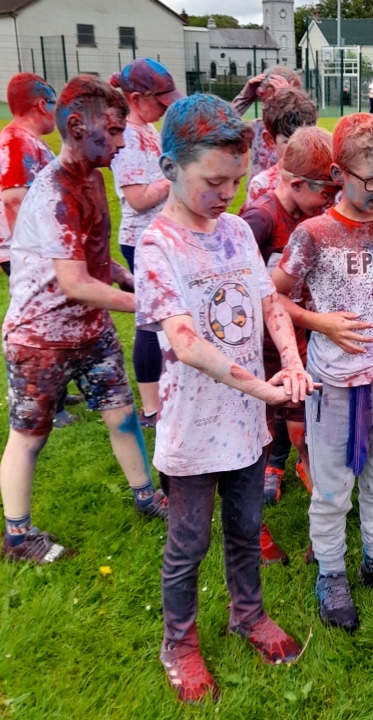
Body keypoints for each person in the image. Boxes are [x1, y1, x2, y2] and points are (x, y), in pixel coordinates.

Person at [134, 94, 311, 703]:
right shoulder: (158, 246)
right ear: (170, 168)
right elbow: (185, 343)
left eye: (236, 181)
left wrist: (290, 360)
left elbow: (269, 301)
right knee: (188, 543)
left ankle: (248, 614)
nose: (229, 194)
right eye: (214, 182)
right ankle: (179, 643)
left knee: (246, 524)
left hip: (244, 424)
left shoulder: (236, 231)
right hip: (193, 426)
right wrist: (263, 387)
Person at [0, 75, 169, 565]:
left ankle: (146, 496)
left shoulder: (91, 179)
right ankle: (17, 537)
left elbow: (91, 257)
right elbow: (74, 282)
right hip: (40, 339)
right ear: (77, 127)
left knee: (121, 414)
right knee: (30, 436)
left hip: (90, 330)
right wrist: (151, 304)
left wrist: (127, 277)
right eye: (113, 131)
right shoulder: (55, 192)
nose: (121, 142)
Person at [272, 113, 373, 632]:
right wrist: (320, 322)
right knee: (332, 487)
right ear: (339, 174)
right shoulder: (313, 235)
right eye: (372, 179)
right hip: (335, 384)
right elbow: (273, 297)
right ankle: (332, 572)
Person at [239, 127, 336, 519]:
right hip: (259, 344)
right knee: (264, 419)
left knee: (301, 418)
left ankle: (312, 478)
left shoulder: (312, 216)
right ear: (296, 184)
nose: (331, 201)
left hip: (300, 338)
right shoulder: (259, 219)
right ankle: (267, 474)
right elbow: (238, 285)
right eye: (326, 192)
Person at [0, 72, 79, 429]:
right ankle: (46, 405)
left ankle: (58, 394)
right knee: (42, 329)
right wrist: (37, 255)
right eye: (54, 104)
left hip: (40, 252)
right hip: (30, 256)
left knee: (58, 322)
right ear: (41, 104)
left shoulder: (31, 142)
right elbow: (14, 201)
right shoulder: (17, 142)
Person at [109, 58, 182, 429]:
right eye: (160, 101)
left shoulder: (148, 129)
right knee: (151, 323)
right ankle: (152, 409)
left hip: (162, 238)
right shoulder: (127, 136)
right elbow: (138, 198)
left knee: (167, 318)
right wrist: (178, 173)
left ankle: (168, 393)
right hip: (141, 241)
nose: (165, 108)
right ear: (136, 99)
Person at [231, 66, 303, 185]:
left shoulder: (300, 130)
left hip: (288, 194)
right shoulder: (256, 128)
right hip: (257, 194)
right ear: (263, 94)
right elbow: (221, 125)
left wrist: (289, 100)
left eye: (294, 96)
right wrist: (245, 98)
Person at [246, 88, 318, 204]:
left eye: (306, 139)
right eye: (288, 142)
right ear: (270, 140)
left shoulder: (324, 178)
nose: (300, 149)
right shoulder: (262, 186)